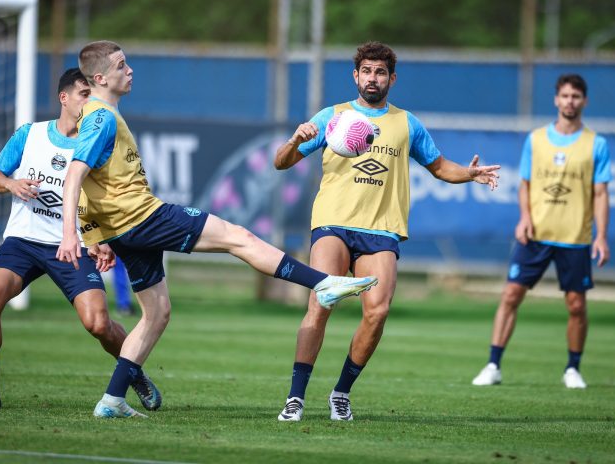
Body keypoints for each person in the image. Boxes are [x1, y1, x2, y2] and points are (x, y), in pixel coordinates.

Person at [55, 40, 378, 419]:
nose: (130, 71)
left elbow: (89, 184)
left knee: (156, 313)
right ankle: (323, 283)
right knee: (238, 237)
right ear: (100, 77)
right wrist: (71, 235)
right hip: (142, 217)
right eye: (122, 65)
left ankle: (111, 400)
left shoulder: (98, 115)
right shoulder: (100, 117)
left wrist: (98, 236)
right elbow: (74, 175)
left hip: (122, 229)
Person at [273, 41, 501, 421]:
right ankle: (295, 398)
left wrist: (470, 173)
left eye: (380, 72)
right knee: (320, 303)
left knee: (377, 313)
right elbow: (281, 162)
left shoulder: (406, 123)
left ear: (391, 78)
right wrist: (296, 139)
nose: (373, 78)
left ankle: (341, 393)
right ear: (355, 75)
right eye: (366, 71)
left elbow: (440, 166)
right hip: (333, 222)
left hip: (381, 231)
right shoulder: (334, 117)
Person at [0, 68, 161, 410]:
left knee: (98, 323)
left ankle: (134, 372)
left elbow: (110, 198)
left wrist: (102, 240)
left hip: (73, 245)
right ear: (64, 98)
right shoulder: (30, 135)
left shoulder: (97, 139)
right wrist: (11, 184)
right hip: (23, 241)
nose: (91, 101)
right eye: (85, 95)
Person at [471, 73, 610, 390]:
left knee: (576, 305)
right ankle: (493, 364)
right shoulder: (536, 140)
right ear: (555, 100)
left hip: (574, 237)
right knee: (510, 295)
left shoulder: (596, 144)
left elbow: (601, 194)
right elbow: (525, 184)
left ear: (584, 101)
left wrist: (601, 236)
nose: (569, 101)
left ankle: (572, 368)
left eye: (575, 96)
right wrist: (524, 218)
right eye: (564, 96)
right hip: (535, 235)